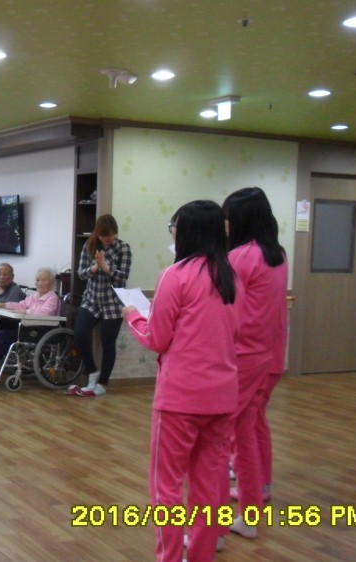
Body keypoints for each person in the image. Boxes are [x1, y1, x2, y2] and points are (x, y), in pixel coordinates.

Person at [123, 200, 239, 562]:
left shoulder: (175, 275)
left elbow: (156, 338)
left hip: (179, 399)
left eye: (174, 227)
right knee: (208, 489)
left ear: (186, 231)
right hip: (222, 396)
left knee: (166, 488)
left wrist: (133, 316)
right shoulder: (231, 277)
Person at [221, 187, 289, 540]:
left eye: (228, 218)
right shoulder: (276, 254)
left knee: (227, 436)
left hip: (240, 356)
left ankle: (229, 521)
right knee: (248, 427)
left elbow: (222, 305)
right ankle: (254, 502)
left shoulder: (241, 257)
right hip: (266, 353)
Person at [69, 214, 132, 397]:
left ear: (115, 233)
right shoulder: (89, 246)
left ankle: (103, 383)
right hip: (92, 299)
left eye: (110, 235)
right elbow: (81, 274)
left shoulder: (123, 248)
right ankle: (92, 371)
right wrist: (95, 268)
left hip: (113, 302)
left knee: (108, 344)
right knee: (80, 333)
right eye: (104, 236)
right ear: (98, 234)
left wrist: (106, 268)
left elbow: (123, 276)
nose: (107, 239)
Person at [0, 268, 61, 380]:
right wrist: (3, 305)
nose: (40, 283)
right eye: (38, 280)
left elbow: (46, 312)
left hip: (38, 331)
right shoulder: (34, 296)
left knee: (3, 335)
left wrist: (26, 311)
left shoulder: (52, 298)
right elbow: (21, 305)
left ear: (51, 283)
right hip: (26, 327)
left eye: (43, 280)